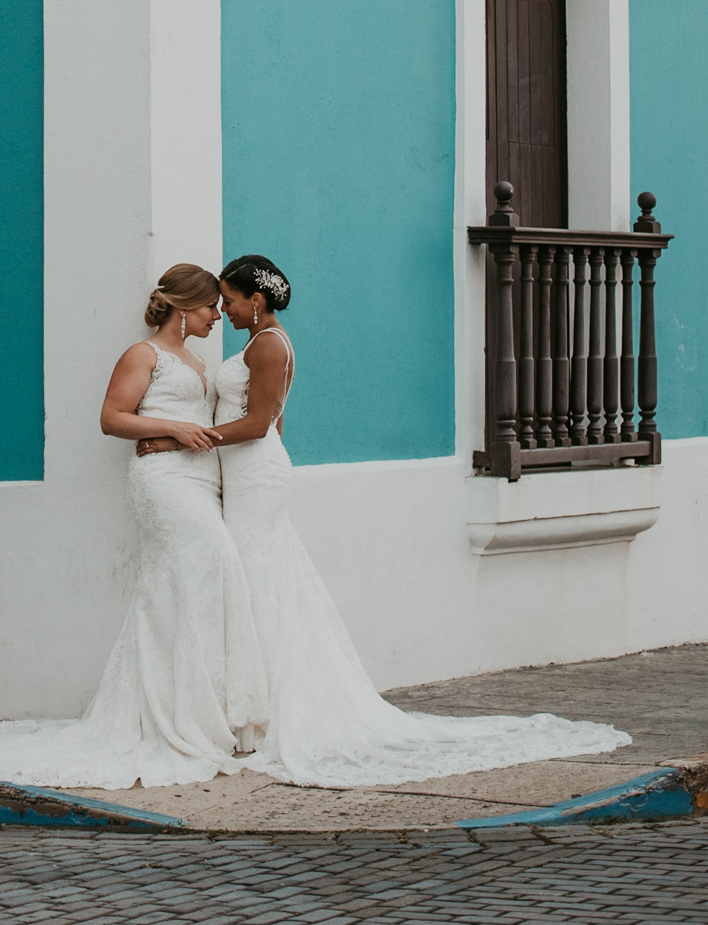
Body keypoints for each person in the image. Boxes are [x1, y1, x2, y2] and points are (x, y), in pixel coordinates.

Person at [202, 252, 630, 785]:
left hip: (254, 471)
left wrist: (195, 437)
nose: (224, 308)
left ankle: (263, 714)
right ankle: (249, 706)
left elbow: (263, 422)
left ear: (256, 299)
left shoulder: (268, 344)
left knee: (259, 581)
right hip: (250, 476)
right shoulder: (256, 342)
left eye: (230, 298)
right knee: (257, 580)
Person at [0, 264, 268, 788]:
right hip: (163, 483)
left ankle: (203, 712)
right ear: (182, 308)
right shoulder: (143, 354)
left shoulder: (196, 360)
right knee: (203, 571)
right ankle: (175, 719)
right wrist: (172, 427)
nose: (217, 315)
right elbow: (112, 417)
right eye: (208, 308)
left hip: (201, 482)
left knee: (198, 585)